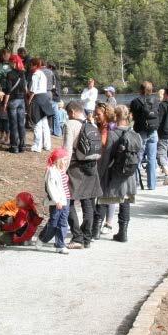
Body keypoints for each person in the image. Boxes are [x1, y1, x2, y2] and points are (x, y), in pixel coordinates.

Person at [97, 105, 142, 242]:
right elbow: (138, 156)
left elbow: (107, 157)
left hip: (113, 173)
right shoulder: (136, 134)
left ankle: (95, 232)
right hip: (129, 174)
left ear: (115, 117)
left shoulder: (113, 134)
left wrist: (100, 173)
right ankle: (123, 233)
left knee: (105, 200)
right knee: (125, 202)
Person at [63, 100, 102, 249]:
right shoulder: (91, 124)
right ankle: (87, 238)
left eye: (68, 114)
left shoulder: (70, 124)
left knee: (69, 201)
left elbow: (67, 149)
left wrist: (61, 170)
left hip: (75, 167)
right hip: (92, 167)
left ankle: (77, 237)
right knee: (87, 202)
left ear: (72, 112)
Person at [36, 148, 71, 254]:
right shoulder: (51, 171)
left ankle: (60, 245)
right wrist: (57, 201)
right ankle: (42, 238)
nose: (66, 162)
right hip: (57, 202)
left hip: (66, 200)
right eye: (64, 159)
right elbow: (51, 188)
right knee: (53, 223)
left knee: (63, 223)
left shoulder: (61, 170)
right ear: (57, 160)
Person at [130, 81, 160, 190]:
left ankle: (136, 183)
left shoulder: (135, 102)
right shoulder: (156, 101)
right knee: (152, 159)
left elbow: (133, 116)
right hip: (153, 131)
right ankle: (152, 185)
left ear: (140, 89)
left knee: (138, 157)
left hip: (140, 132)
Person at [93, 103, 117, 237]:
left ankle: (109, 223)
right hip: (99, 163)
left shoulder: (111, 128)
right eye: (95, 114)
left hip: (109, 164)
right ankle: (98, 222)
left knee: (109, 194)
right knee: (101, 193)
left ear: (106, 114)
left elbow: (105, 145)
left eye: (99, 114)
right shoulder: (98, 126)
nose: (96, 116)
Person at [2, 55, 27, 153]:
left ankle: (14, 146)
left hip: (13, 101)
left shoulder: (10, 74)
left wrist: (5, 103)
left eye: (10, 62)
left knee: (13, 124)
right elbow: (25, 88)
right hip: (21, 101)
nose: (9, 64)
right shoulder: (23, 73)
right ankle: (22, 146)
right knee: (21, 124)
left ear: (14, 62)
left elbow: (8, 91)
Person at [27, 57, 53, 152]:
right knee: (44, 123)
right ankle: (47, 145)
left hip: (37, 98)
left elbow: (33, 90)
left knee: (37, 122)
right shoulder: (42, 73)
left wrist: (29, 101)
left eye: (30, 65)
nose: (29, 66)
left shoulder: (35, 75)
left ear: (34, 65)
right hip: (45, 97)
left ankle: (37, 146)